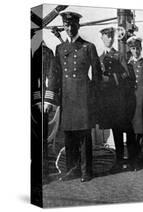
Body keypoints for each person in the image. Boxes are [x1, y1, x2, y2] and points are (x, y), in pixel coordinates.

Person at [44, 11, 102, 182]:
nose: (69, 28)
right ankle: (72, 170)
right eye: (66, 25)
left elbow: (97, 75)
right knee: (69, 135)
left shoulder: (88, 47)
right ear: (63, 26)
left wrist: (94, 97)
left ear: (78, 25)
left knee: (84, 135)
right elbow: (55, 75)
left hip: (84, 99)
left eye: (72, 25)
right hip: (67, 98)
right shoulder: (60, 49)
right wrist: (49, 99)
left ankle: (86, 171)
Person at [99, 27, 137, 170]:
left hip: (121, 100)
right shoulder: (100, 58)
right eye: (106, 36)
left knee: (128, 130)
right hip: (109, 102)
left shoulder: (119, 56)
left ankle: (133, 161)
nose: (109, 38)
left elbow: (126, 76)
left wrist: (110, 78)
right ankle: (119, 161)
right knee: (116, 132)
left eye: (111, 36)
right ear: (101, 38)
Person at [126, 36, 143, 170]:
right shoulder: (128, 65)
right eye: (133, 48)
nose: (135, 51)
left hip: (141, 102)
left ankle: (138, 160)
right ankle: (131, 160)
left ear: (141, 49)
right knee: (130, 132)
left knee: (140, 132)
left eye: (137, 48)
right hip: (130, 102)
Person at [31, 41, 54, 184]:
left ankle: (41, 174)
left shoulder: (45, 52)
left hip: (37, 103)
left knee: (39, 139)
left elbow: (49, 78)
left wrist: (43, 101)